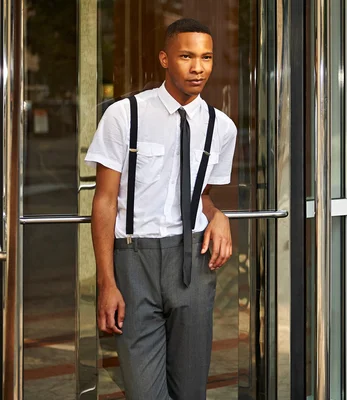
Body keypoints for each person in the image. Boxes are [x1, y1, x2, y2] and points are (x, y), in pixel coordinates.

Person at [85, 18, 237, 400]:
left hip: (193, 261)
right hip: (134, 261)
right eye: (186, 56)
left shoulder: (222, 127)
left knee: (190, 391)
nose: (198, 67)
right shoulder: (124, 115)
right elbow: (103, 200)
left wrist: (218, 216)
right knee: (144, 392)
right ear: (165, 59)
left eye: (206, 57)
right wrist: (107, 282)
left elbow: (201, 194)